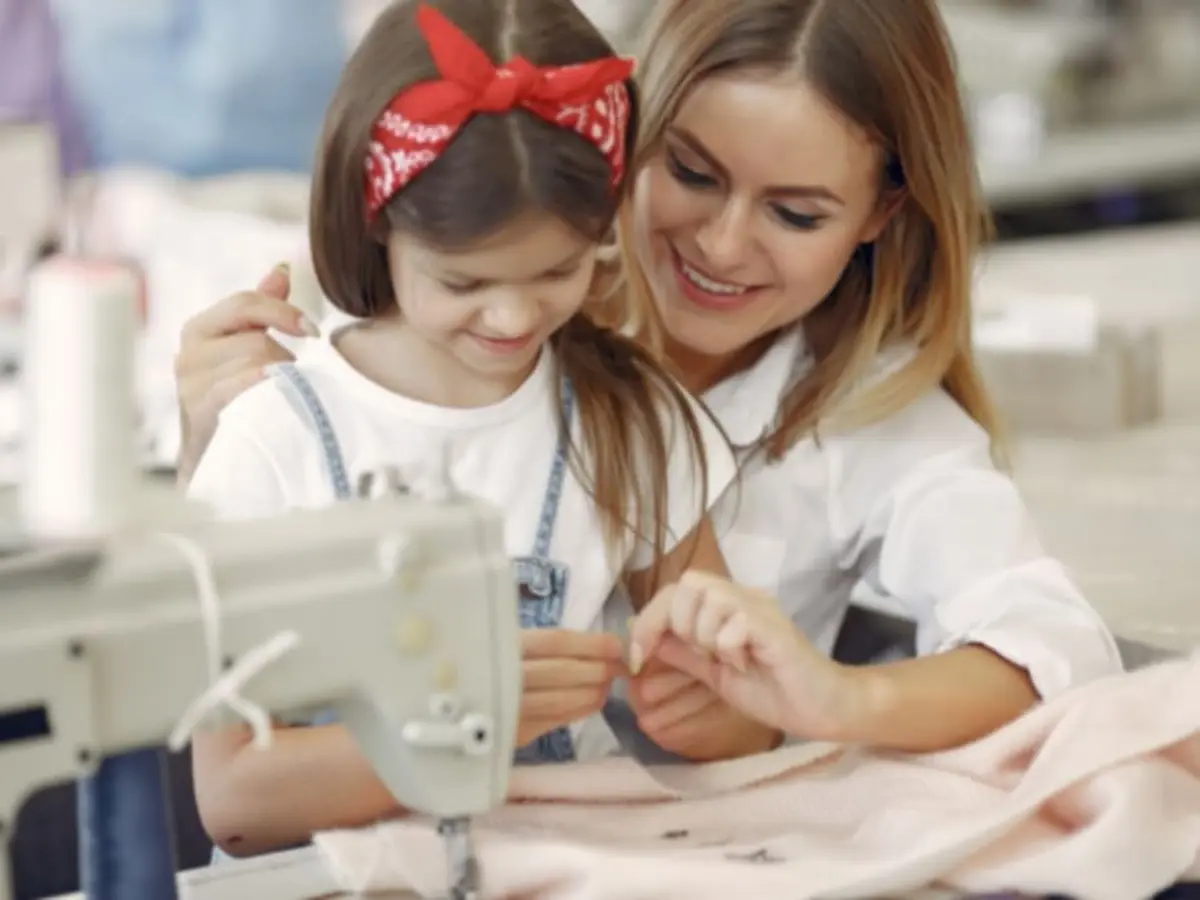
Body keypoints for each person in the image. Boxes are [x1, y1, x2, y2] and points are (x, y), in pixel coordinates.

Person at [176, 0, 1123, 798]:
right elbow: (233, 743)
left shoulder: (869, 429)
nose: (720, 244)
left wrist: (822, 699)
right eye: (692, 174)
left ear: (880, 215)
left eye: (795, 213)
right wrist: (209, 446)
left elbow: (1052, 646)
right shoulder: (450, 321)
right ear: (623, 147)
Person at [183, 0, 779, 859]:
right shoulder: (280, 439)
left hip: (580, 860)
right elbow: (236, 800)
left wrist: (720, 704)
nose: (511, 314)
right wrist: (466, 719)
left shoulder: (629, 419)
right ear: (377, 220)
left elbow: (739, 726)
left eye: (558, 270)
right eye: (462, 282)